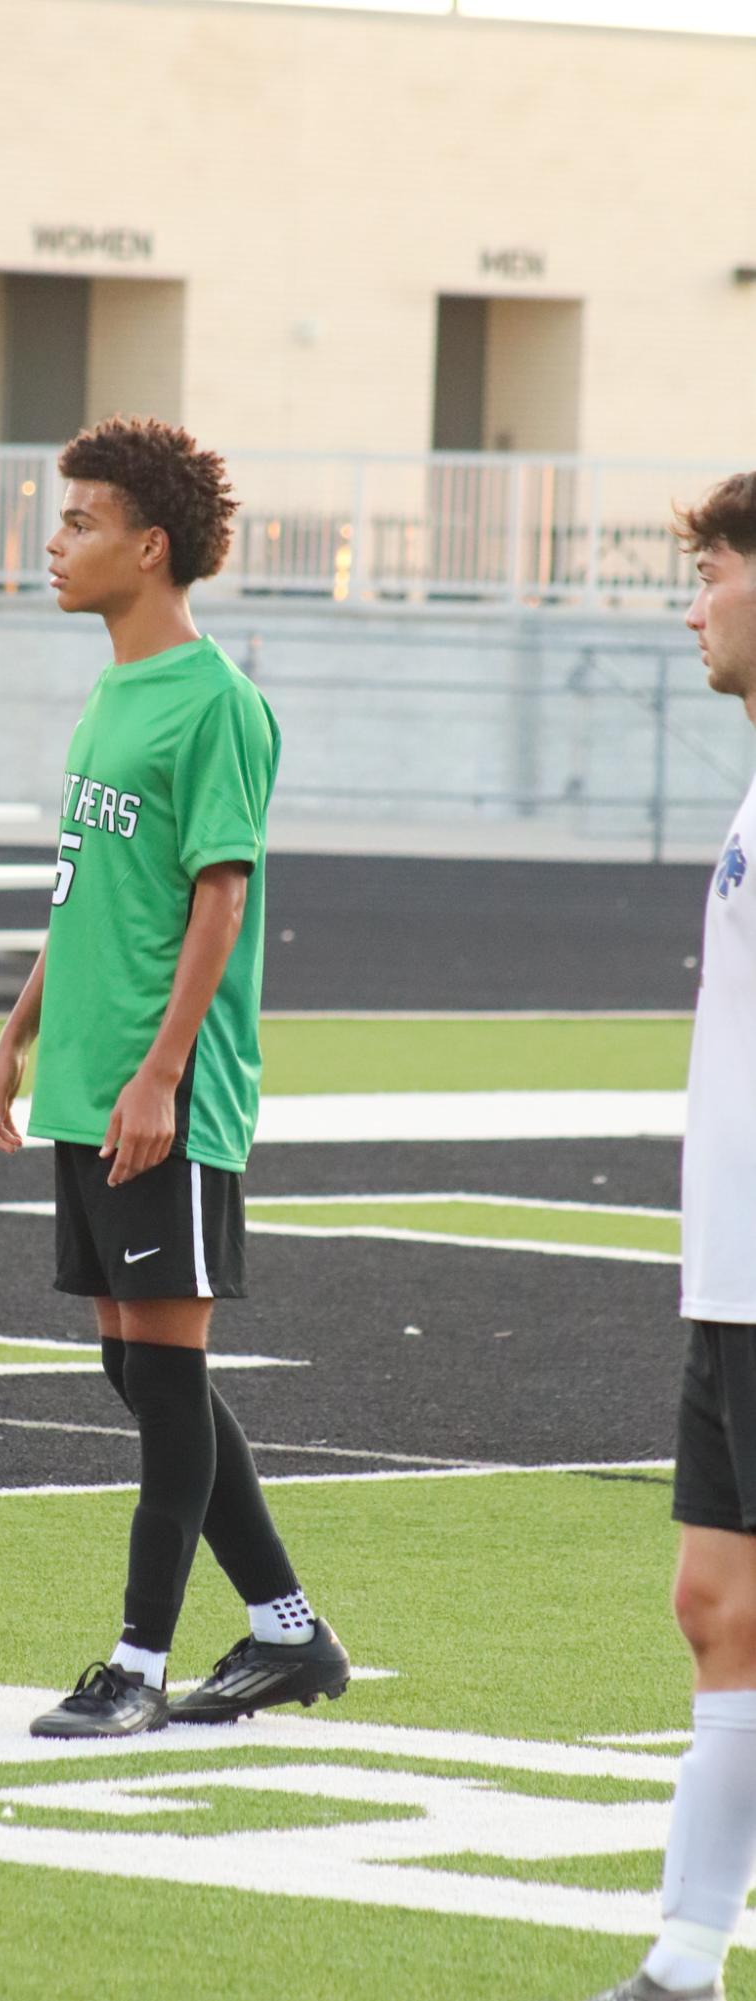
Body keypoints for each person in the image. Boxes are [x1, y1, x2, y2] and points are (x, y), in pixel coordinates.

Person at [0, 415, 349, 1739]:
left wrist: (161, 1073)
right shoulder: (108, 693)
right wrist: (16, 1031)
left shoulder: (216, 701)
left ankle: (135, 1661)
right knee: (137, 1374)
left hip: (159, 1094)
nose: (54, 544)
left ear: (149, 545)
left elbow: (219, 896)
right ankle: (287, 1632)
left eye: (78, 523)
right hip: (83, 1075)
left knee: (167, 1376)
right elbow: (91, 896)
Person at [589, 473, 756, 2001]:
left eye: (709, 570)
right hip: (730, 1281)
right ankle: (683, 1961)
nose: (688, 602)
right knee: (714, 1607)